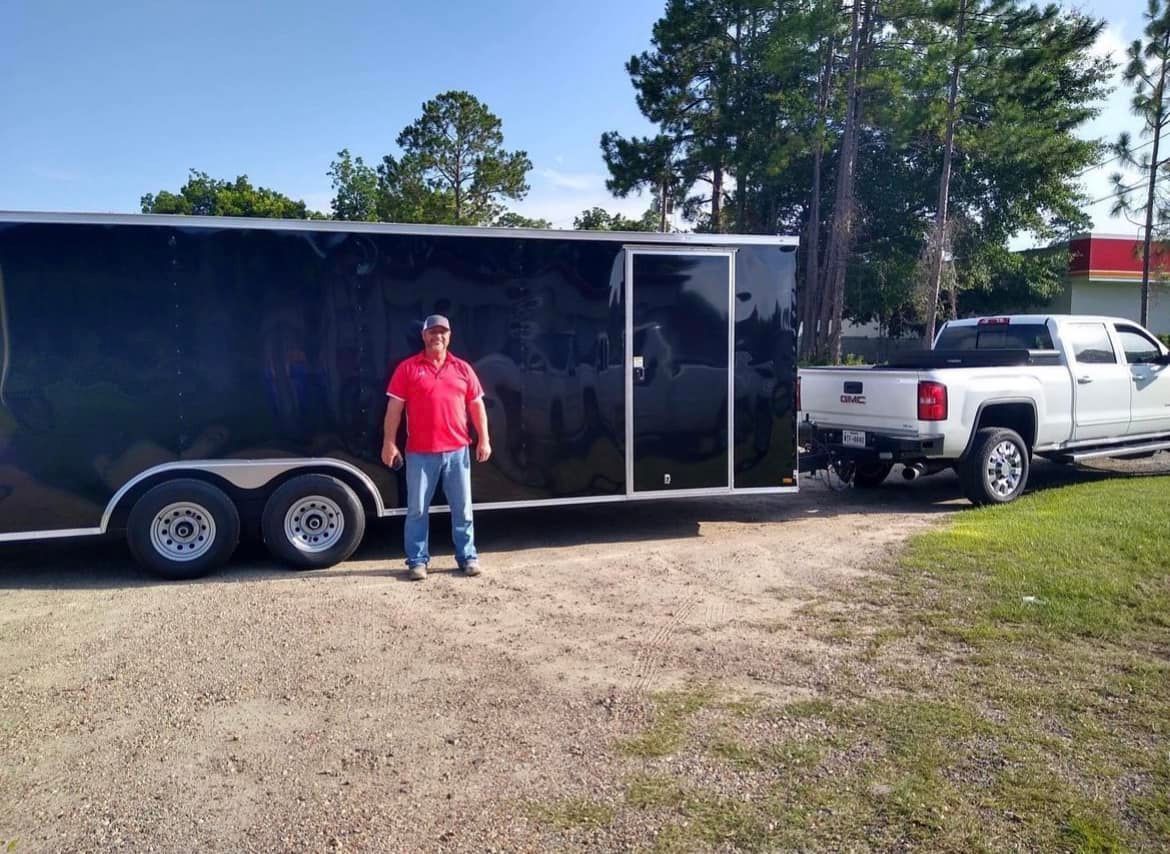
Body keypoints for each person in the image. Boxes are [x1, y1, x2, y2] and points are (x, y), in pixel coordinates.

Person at [381, 315, 491, 580]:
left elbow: (477, 406)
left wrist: (484, 439)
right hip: (419, 453)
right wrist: (389, 442)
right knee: (417, 510)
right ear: (424, 336)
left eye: (442, 332)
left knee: (462, 508)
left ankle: (467, 557)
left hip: (457, 451)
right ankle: (417, 561)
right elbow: (393, 410)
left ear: (449, 336)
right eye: (432, 332)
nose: (437, 336)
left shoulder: (463, 369)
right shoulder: (407, 369)